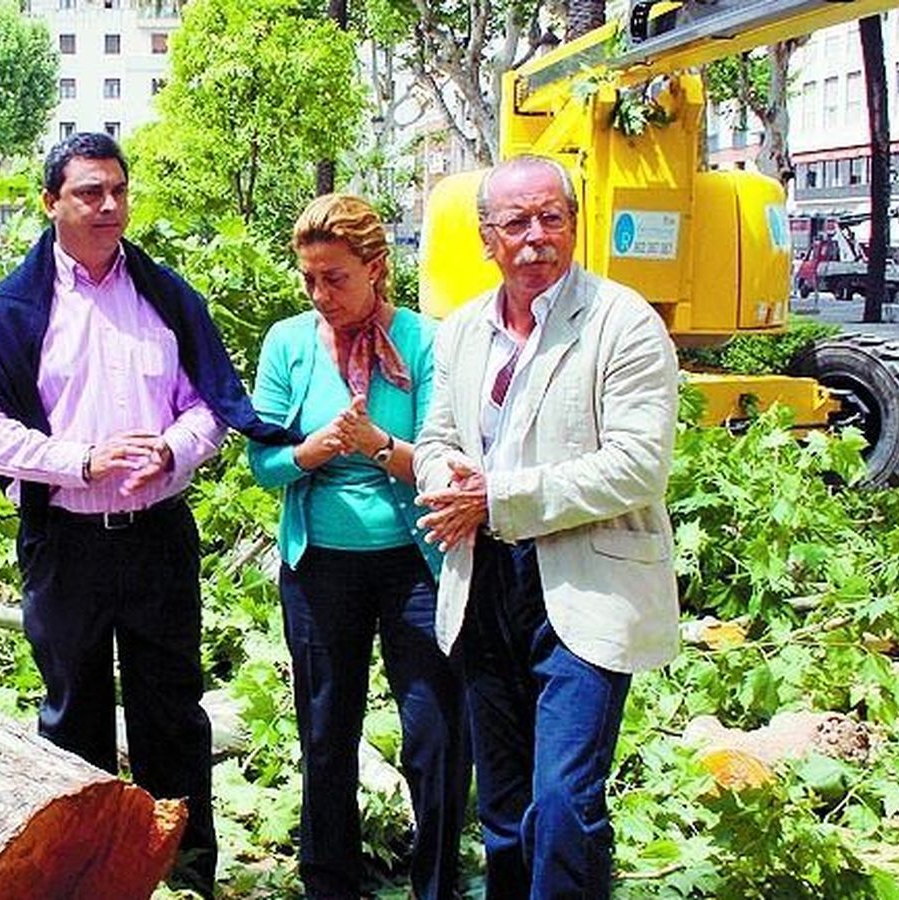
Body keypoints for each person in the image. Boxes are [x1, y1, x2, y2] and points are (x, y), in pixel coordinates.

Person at [0, 132, 297, 897]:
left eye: (117, 191)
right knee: (72, 719)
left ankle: (183, 879)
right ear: (51, 204)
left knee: (172, 717)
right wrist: (81, 460)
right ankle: (84, 881)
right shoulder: (15, 310)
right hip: (66, 542)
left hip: (156, 540)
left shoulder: (165, 297)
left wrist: (172, 452)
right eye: (88, 193)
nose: (108, 207)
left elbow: (209, 405)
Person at [411, 155, 680, 899]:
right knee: (503, 806)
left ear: (574, 223)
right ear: (486, 237)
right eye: (517, 223)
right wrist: (450, 483)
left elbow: (636, 466)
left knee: (563, 800)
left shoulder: (622, 322)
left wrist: (496, 497)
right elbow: (435, 441)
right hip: (485, 581)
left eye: (552, 219)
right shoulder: (462, 331)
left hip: (583, 584)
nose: (537, 238)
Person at [246, 193, 467, 900]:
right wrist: (311, 452)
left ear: (375, 268)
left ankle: (437, 881)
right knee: (325, 730)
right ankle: (329, 883)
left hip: (416, 562)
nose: (320, 294)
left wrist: (378, 447)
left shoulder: (426, 342)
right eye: (309, 279)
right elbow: (263, 461)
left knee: (434, 735)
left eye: (335, 278)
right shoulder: (288, 344)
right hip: (320, 568)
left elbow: (445, 457)